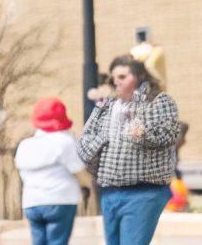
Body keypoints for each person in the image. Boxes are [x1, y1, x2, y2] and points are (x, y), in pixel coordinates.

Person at [79, 55, 182, 245]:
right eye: (114, 77)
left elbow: (169, 135)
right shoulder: (106, 106)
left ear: (140, 77)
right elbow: (84, 143)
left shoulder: (159, 102)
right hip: (110, 193)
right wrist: (104, 139)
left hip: (143, 193)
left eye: (122, 77)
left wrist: (143, 135)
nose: (115, 82)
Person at [17, 97, 85, 245]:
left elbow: (22, 173)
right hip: (60, 200)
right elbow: (77, 167)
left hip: (32, 202)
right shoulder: (64, 141)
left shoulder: (25, 145)